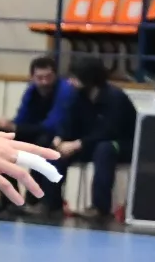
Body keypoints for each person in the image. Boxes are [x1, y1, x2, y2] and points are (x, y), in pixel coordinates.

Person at [0, 55, 75, 216]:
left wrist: (16, 126)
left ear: (55, 76)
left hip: (59, 137)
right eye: (39, 78)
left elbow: (52, 125)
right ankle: (10, 201)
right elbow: (22, 118)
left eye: (48, 77)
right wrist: (5, 128)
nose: (44, 82)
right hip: (37, 133)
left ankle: (43, 203)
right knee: (1, 141)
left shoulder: (64, 91)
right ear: (32, 77)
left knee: (44, 143)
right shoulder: (31, 91)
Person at [54, 55, 137, 221]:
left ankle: (100, 208)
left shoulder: (115, 97)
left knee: (104, 149)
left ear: (89, 78)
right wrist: (60, 138)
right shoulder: (77, 96)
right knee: (54, 152)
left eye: (75, 78)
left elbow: (109, 131)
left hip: (123, 145)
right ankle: (51, 204)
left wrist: (78, 144)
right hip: (89, 143)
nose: (70, 82)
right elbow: (69, 122)